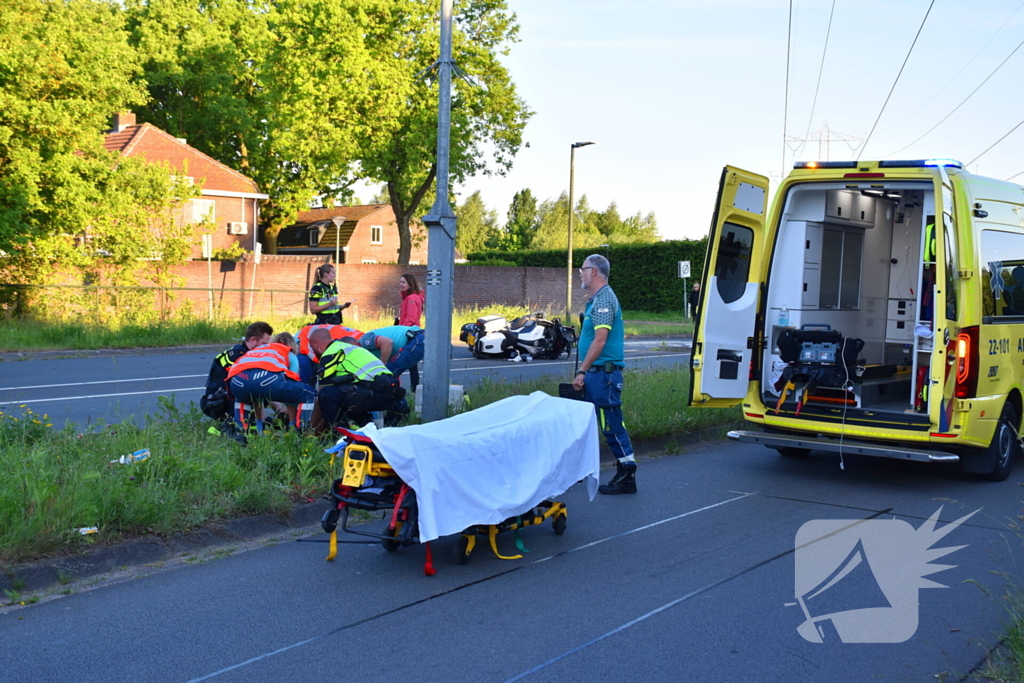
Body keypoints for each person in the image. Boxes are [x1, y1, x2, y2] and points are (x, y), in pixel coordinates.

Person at [571, 254, 637, 495]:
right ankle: (583, 470)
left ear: (594, 271)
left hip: (603, 376)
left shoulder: (604, 300)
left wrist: (582, 370)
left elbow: (600, 340)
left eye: (583, 269)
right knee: (588, 423)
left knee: (611, 424)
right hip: (597, 374)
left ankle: (627, 473)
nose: (580, 273)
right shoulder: (597, 299)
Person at [308, 328, 405, 430]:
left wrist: (312, 428)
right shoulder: (349, 348)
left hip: (375, 391)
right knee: (345, 396)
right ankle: (369, 430)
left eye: (312, 347)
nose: (313, 351)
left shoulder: (330, 354)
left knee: (327, 394)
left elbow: (322, 398)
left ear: (316, 343)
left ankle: (340, 433)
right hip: (388, 391)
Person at [226, 337, 316, 432]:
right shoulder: (287, 352)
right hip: (267, 380)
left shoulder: (257, 350)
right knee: (307, 394)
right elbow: (292, 382)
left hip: (237, 380)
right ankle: (300, 430)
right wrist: (288, 414)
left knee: (243, 396)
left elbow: (256, 393)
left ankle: (241, 431)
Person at [201, 321, 273, 422]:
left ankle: (256, 421)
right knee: (253, 386)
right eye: (264, 344)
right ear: (253, 340)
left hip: (223, 398)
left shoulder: (244, 352)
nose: (266, 348)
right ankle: (236, 424)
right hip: (217, 402)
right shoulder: (238, 356)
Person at [295, 323, 364, 385]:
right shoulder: (341, 345)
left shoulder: (359, 339)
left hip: (314, 335)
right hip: (304, 337)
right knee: (305, 363)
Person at [359, 324, 425, 383]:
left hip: (415, 338)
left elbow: (387, 342)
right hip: (418, 336)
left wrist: (382, 367)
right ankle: (412, 390)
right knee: (393, 373)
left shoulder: (364, 340)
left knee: (387, 374)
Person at [397, 273, 425, 391]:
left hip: (408, 332)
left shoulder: (411, 299)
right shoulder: (410, 298)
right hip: (412, 331)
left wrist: (400, 330)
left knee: (400, 360)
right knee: (412, 364)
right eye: (400, 282)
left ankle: (398, 387)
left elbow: (411, 318)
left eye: (403, 282)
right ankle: (414, 389)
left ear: (410, 284)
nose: (401, 284)